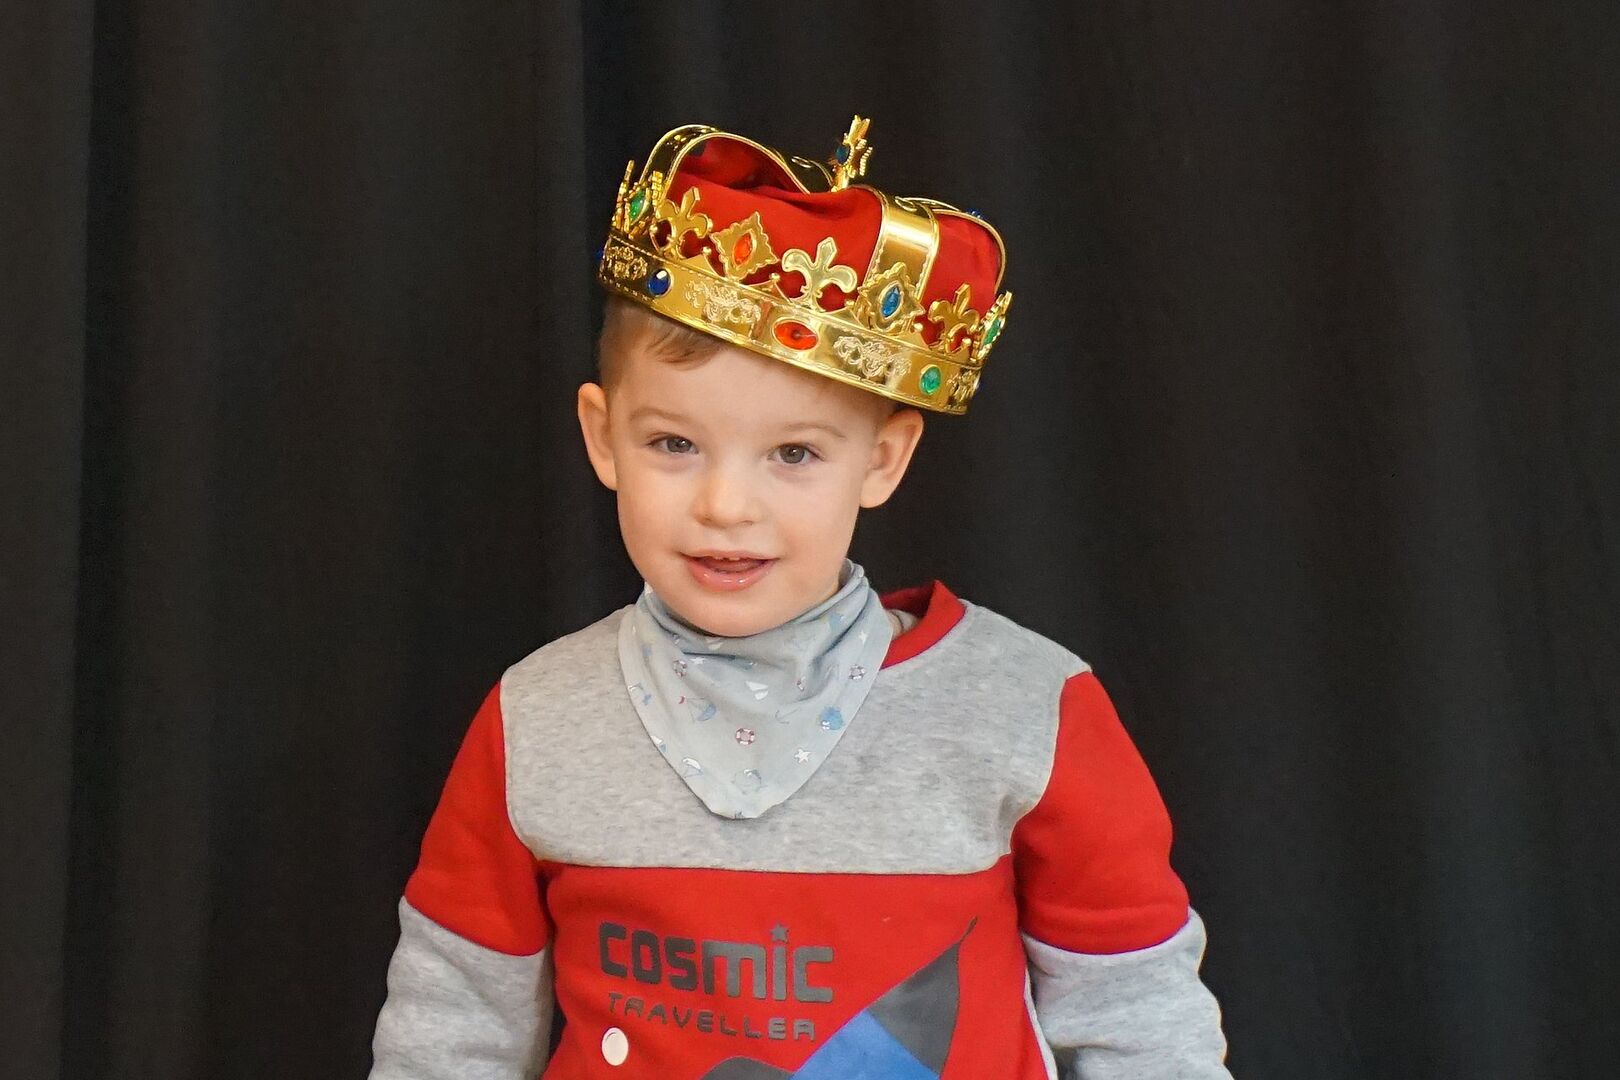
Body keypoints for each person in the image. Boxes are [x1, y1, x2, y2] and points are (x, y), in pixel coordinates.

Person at [368, 116, 1232, 1079]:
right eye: (674, 444)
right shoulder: (534, 719)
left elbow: (1138, 1017)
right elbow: (452, 1027)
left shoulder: (1031, 707)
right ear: (602, 437)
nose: (726, 506)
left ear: (884, 459)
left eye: (793, 454)